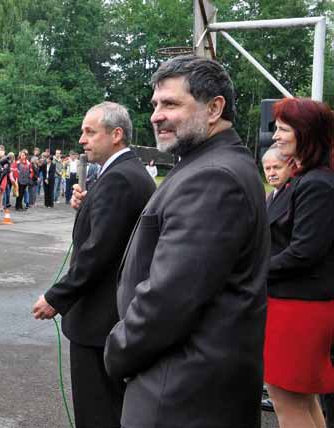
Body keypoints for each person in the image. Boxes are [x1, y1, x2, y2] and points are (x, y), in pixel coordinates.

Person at [103, 55, 269, 428]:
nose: (156, 116)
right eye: (155, 105)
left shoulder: (214, 177)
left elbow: (169, 300)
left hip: (180, 396)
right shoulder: (207, 164)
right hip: (186, 388)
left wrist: (116, 352)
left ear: (214, 108)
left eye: (171, 104)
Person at [32, 102, 155, 428]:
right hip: (114, 315)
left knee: (97, 409)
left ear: (116, 135)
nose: (82, 139)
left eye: (90, 131)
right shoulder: (128, 172)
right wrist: (89, 206)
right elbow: (114, 230)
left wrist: (56, 298)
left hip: (99, 319)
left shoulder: (118, 179)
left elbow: (98, 253)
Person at [265, 97, 334, 428]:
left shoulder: (317, 184)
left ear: (304, 133)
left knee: (287, 401)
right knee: (302, 400)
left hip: (298, 307)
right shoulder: (303, 180)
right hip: (293, 304)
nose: (275, 135)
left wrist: (252, 270)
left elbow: (305, 251)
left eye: (282, 129)